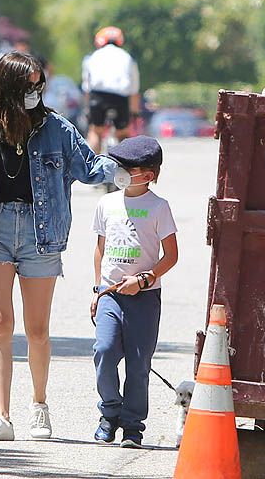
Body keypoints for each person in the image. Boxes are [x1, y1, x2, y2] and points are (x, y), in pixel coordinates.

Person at [0, 52, 117, 441]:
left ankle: (39, 406)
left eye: (39, 84)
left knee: (38, 329)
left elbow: (90, 167)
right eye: (29, 85)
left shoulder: (56, 128)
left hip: (40, 232)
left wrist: (131, 166)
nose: (36, 92)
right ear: (9, 87)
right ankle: (2, 417)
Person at [89, 135, 178, 448]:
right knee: (104, 351)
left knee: (138, 365)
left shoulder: (159, 208)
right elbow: (100, 249)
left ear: (148, 175)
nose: (120, 171)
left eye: (128, 167)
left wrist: (143, 279)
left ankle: (132, 425)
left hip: (144, 299)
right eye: (119, 166)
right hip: (110, 294)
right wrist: (98, 290)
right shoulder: (106, 203)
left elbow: (171, 255)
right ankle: (109, 412)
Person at [81, 26, 140, 153]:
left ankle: (91, 166)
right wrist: (134, 112)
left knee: (96, 131)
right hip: (120, 97)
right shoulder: (127, 57)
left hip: (98, 96)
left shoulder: (92, 57)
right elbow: (134, 89)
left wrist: (87, 110)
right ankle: (127, 165)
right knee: (123, 133)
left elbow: (87, 87)